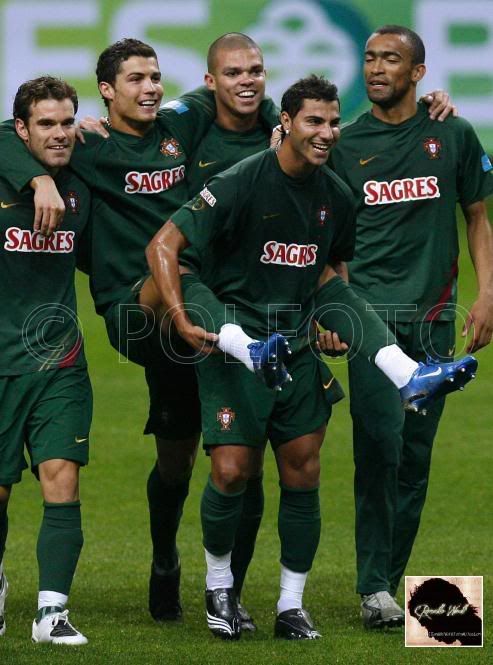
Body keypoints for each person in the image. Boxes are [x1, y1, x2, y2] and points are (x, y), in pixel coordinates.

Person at [145, 74, 477, 640]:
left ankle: (291, 605)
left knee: (305, 471)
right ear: (286, 126)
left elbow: (330, 269)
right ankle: (219, 587)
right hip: (231, 330)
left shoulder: (337, 196)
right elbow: (164, 245)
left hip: (295, 342)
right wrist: (179, 316)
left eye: (332, 122)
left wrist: (330, 320)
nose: (326, 133)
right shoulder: (243, 180)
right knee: (230, 472)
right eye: (313, 122)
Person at [0, 36, 281, 628]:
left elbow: (250, 99)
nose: (150, 87)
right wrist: (38, 181)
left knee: (212, 459)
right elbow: (9, 133)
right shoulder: (84, 146)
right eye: (135, 79)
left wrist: (281, 123)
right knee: (170, 260)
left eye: (155, 76)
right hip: (137, 313)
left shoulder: (185, 122)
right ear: (107, 91)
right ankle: (246, 344)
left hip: (194, 312)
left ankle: (193, 574)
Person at [329, 25, 493, 628]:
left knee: (415, 458)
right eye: (369, 57)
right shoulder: (344, 143)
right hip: (372, 321)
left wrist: (489, 293)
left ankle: (388, 584)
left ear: (418, 73)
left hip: (434, 319)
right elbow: (326, 236)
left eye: (391, 59)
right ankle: (374, 588)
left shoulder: (450, 132)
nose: (376, 68)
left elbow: (477, 214)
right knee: (379, 447)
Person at [0, 76, 92, 645]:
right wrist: (36, 178)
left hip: (59, 360)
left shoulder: (84, 179)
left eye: (67, 123)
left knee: (62, 478)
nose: (60, 135)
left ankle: (51, 613)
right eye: (47, 124)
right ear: (20, 130)